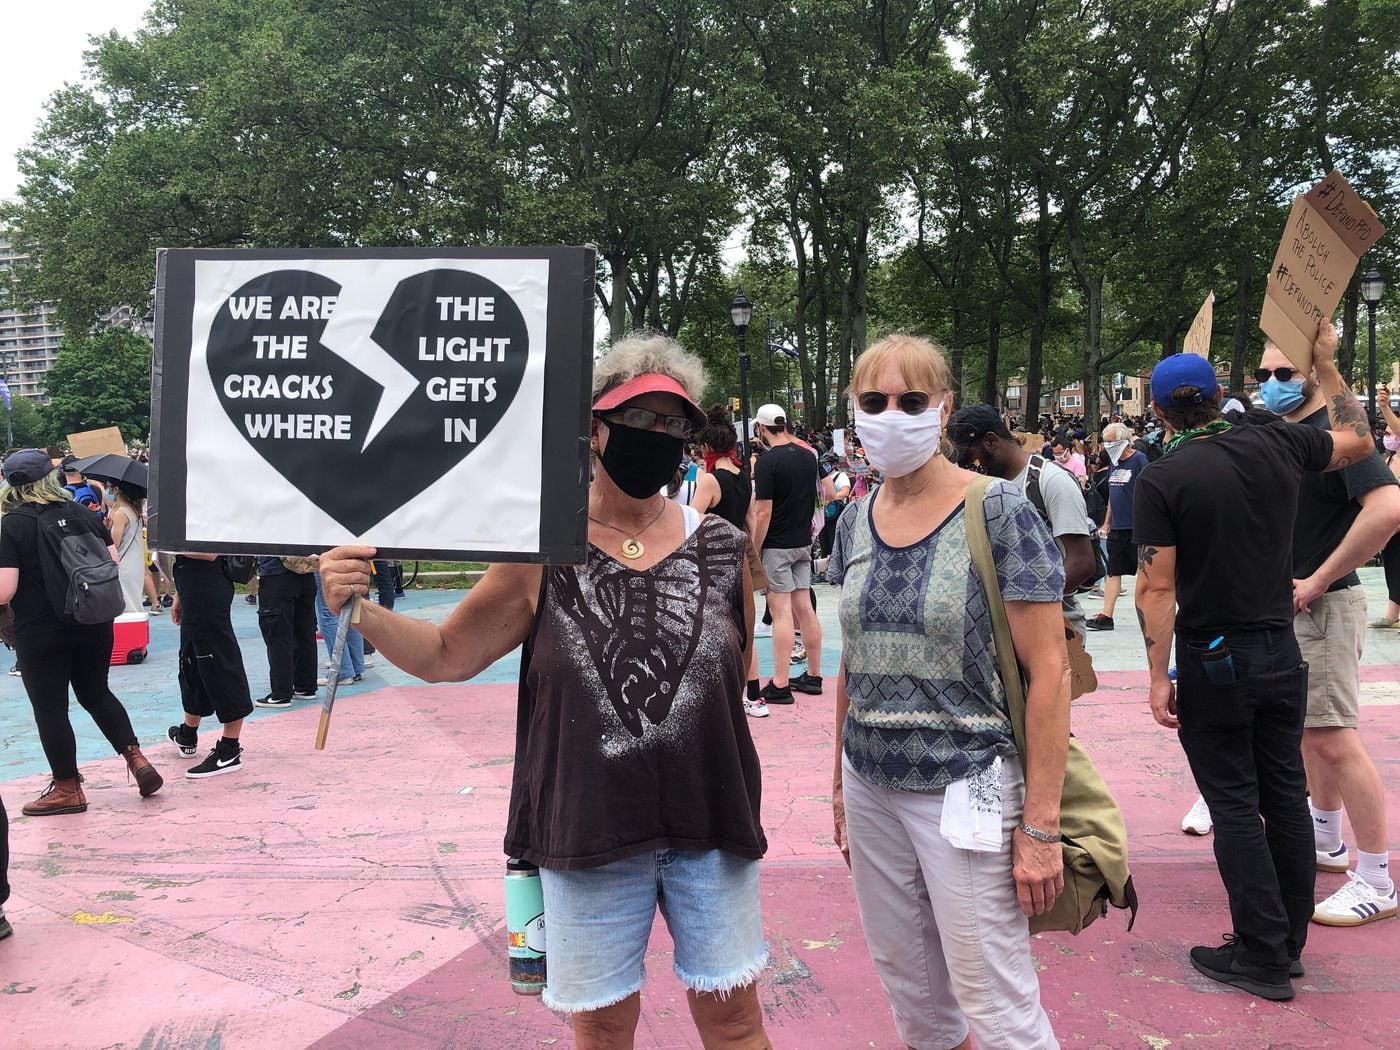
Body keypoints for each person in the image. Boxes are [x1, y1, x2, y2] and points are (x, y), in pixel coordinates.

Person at [320, 334, 771, 1048]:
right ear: (594, 428)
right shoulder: (542, 549)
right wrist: (362, 611)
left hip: (709, 822)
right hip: (587, 828)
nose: (654, 437)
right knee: (599, 1029)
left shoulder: (720, 546)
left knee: (735, 1020)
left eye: (671, 423)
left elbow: (734, 672)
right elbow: (446, 655)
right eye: (637, 420)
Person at [831, 335, 1069, 1050]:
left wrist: (1040, 825)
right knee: (916, 996)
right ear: (854, 411)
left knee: (996, 1002)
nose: (892, 415)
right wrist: (839, 787)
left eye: (912, 401)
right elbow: (854, 659)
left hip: (968, 783)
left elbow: (1050, 669)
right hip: (869, 779)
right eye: (875, 402)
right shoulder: (853, 519)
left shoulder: (996, 510)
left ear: (944, 408)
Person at [1133, 326, 1372, 1001]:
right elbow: (1356, 438)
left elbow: (1156, 586)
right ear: (1220, 397)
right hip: (1280, 645)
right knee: (1283, 799)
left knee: (1235, 804)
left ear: (1158, 412)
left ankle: (1262, 955)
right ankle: (1286, 945)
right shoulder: (1275, 437)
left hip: (1215, 655)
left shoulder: (1165, 476)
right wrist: (1326, 366)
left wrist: (1159, 675)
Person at [1256, 340, 1400, 928]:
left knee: (1334, 739)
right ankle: (1326, 840)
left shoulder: (1338, 429)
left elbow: (1388, 508)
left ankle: (1376, 877)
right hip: (1299, 604)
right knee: (1310, 735)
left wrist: (1318, 579)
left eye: (1284, 371)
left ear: (1314, 371)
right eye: (1264, 373)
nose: (1271, 382)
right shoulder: (1291, 429)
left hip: (1324, 606)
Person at [0, 449, 162, 814]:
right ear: (50, 476)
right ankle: (136, 759)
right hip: (93, 620)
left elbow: (5, 589)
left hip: (41, 628)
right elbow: (112, 561)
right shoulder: (80, 512)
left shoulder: (12, 523)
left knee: (50, 708)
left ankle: (68, 788)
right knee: (96, 693)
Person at [948, 404, 1096, 636]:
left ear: (991, 442)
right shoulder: (979, 488)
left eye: (968, 457)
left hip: (1054, 627)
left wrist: (1025, 608)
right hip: (996, 633)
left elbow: (1082, 561)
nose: (965, 466)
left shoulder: (1051, 481)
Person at [690, 420, 768, 718]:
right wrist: (753, 556)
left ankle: (723, 695)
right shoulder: (742, 477)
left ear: (707, 447)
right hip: (741, 556)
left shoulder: (710, 480)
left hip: (713, 558)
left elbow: (691, 520)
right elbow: (751, 521)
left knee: (715, 627)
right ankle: (755, 695)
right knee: (744, 627)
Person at [751, 403, 823, 706]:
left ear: (762, 429)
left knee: (780, 612)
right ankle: (814, 675)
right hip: (802, 542)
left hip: (777, 545)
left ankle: (780, 683)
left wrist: (754, 549)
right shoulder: (809, 456)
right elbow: (823, 494)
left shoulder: (767, 463)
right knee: (804, 607)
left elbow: (763, 512)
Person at [168, 554, 255, 777]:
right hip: (192, 581)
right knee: (191, 660)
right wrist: (180, 592)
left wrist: (168, 542)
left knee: (218, 660)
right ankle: (188, 733)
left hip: (206, 581)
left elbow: (210, 551)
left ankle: (229, 748)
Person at [1086, 423, 1150, 631]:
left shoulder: (1138, 460)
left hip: (1137, 525)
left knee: (1145, 572)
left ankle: (1148, 613)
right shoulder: (1114, 463)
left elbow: (1147, 491)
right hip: (1117, 526)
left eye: (1112, 441)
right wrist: (1106, 522)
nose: (1108, 446)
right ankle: (1106, 615)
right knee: (1113, 571)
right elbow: (1114, 495)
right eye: (1106, 441)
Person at [253, 557, 318, 707]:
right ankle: (305, 686)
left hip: (276, 574)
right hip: (305, 571)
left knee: (277, 635)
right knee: (305, 632)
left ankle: (281, 693)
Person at [1369, 385, 1400, 628]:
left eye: (1391, 431)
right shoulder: (1390, 457)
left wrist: (1384, 407)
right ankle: (1392, 614)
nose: (1388, 435)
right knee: (1392, 564)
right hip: (1394, 522)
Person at [107, 481, 150, 616]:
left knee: (127, 607)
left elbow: (115, 543)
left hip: (124, 563)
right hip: (135, 562)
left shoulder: (120, 513)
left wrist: (106, 532)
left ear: (116, 490)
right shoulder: (134, 510)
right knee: (134, 602)